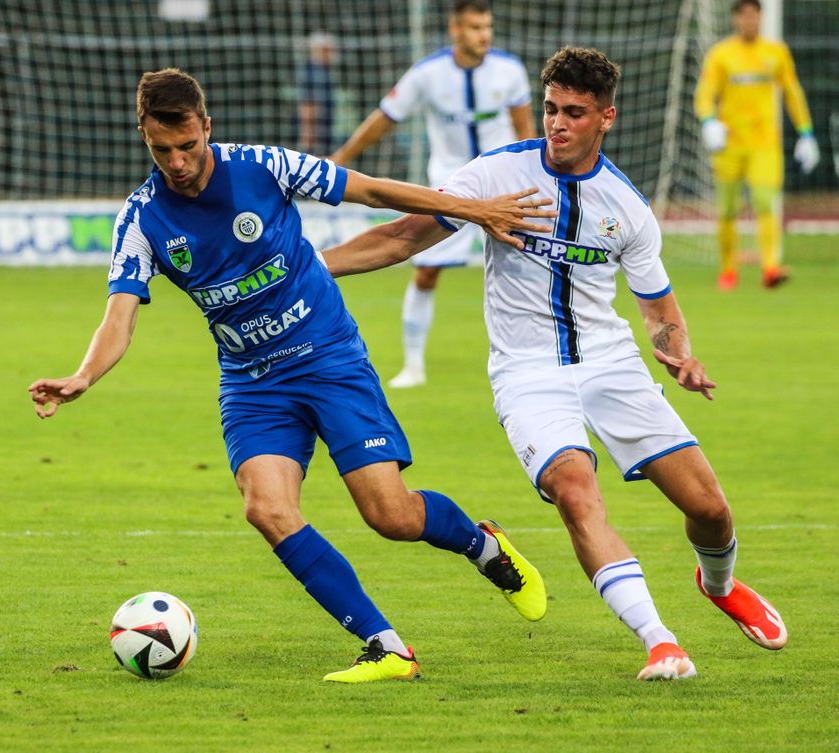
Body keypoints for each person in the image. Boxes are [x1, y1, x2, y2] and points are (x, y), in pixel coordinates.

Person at [29, 68, 556, 683]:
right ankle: (386, 646)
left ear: (207, 127)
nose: (175, 162)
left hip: (329, 358)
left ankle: (483, 546)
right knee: (266, 508)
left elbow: (375, 193)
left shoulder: (263, 166)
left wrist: (473, 210)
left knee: (390, 516)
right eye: (159, 149)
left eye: (186, 146)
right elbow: (118, 317)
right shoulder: (142, 219)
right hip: (253, 385)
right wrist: (83, 376)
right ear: (144, 138)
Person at [321, 47, 787, 681]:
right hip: (527, 373)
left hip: (613, 364)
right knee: (574, 489)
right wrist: (310, 270)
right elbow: (402, 237)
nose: (556, 123)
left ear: (606, 118)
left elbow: (657, 306)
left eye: (574, 112)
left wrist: (678, 352)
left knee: (709, 508)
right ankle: (660, 640)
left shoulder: (627, 208)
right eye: (549, 109)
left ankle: (719, 584)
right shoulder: (494, 175)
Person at [330, 0, 535, 389]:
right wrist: (339, 160)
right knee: (426, 269)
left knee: (529, 264)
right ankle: (413, 365)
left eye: (487, 27)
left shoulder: (509, 70)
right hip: (452, 183)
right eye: (476, 27)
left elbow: (525, 130)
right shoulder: (427, 74)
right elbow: (384, 120)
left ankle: (529, 360)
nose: (484, 35)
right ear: (455, 30)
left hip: (506, 180)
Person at [695, 0, 819, 290]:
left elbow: (792, 92)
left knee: (765, 202)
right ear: (736, 19)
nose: (750, 21)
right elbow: (704, 94)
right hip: (729, 144)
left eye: (755, 15)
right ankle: (728, 270)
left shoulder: (776, 52)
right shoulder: (721, 55)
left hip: (765, 144)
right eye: (744, 15)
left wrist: (806, 132)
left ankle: (771, 268)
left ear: (761, 18)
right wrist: (709, 121)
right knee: (727, 209)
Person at [296, 32, 337, 156]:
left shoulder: (323, 71)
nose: (333, 54)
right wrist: (308, 136)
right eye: (330, 50)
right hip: (316, 136)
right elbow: (307, 106)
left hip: (323, 131)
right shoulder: (312, 72)